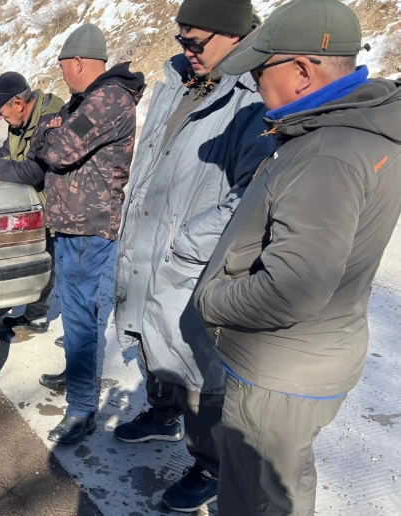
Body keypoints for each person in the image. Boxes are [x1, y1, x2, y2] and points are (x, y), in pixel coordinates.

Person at [193, 0, 398, 513]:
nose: (256, 85)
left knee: (255, 499)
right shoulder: (360, 129)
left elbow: (292, 288)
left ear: (303, 72)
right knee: (279, 486)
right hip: (307, 361)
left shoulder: (327, 152)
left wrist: (210, 301)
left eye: (262, 70)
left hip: (277, 371)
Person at [112, 0, 275, 510]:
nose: (185, 49)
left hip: (195, 262)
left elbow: (252, 195)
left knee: (202, 368)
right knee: (147, 336)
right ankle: (162, 416)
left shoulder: (253, 97)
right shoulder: (179, 79)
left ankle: (212, 465)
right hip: (148, 241)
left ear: (234, 36)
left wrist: (188, 243)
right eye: (181, 38)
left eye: (196, 41)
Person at [31, 23, 145, 444]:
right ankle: (78, 376)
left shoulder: (108, 99)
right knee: (81, 315)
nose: (61, 75)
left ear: (78, 62)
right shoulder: (90, 99)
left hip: (89, 227)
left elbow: (57, 152)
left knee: (80, 315)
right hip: (73, 224)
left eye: (62, 67)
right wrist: (51, 128)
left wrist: (48, 129)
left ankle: (81, 410)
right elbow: (48, 143)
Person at [0, 71, 65, 342]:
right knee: (40, 257)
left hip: (62, 205)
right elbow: (8, 151)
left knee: (49, 261)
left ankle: (38, 318)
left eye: (2, 112)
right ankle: (33, 311)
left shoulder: (51, 120)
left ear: (19, 104)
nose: (1, 117)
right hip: (38, 204)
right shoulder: (20, 122)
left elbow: (34, 171)